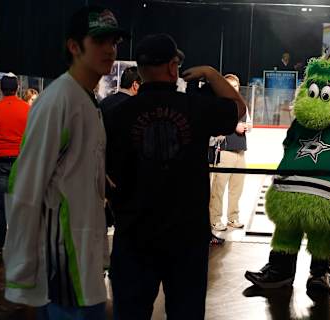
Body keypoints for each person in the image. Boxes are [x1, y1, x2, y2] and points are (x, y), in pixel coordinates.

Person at [105, 33, 246, 320]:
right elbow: (238, 108)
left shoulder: (119, 114)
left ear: (140, 70)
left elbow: (105, 174)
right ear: (173, 68)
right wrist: (211, 73)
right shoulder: (195, 107)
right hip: (186, 239)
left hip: (134, 235)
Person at [2, 6, 128, 319]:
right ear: (74, 46)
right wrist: (21, 269)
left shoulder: (86, 99)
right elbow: (25, 184)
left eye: (113, 41)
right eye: (99, 41)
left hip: (81, 259)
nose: (110, 49)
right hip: (64, 262)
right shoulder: (59, 100)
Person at [0, 73, 30, 256]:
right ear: (17, 88)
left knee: (1, 207)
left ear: (1, 89)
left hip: (0, 163)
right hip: (21, 163)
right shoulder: (27, 110)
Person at [209, 73, 249, 231]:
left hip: (240, 151)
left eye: (235, 86)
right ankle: (215, 219)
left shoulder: (242, 106)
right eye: (230, 86)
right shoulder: (220, 105)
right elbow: (215, 128)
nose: (233, 89)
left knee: (236, 189)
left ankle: (233, 217)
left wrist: (246, 126)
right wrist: (234, 127)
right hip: (225, 152)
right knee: (218, 189)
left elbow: (247, 123)